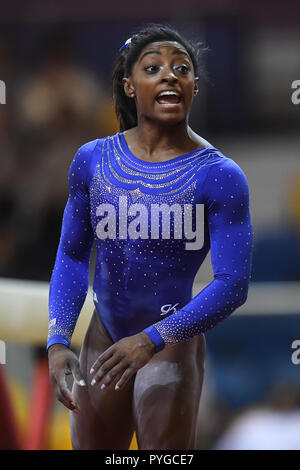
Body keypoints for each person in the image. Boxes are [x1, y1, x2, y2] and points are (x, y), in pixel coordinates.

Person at [47, 23, 253, 450]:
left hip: (171, 340)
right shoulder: (93, 160)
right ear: (129, 85)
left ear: (194, 86)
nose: (169, 75)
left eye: (182, 68)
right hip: (104, 335)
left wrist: (151, 339)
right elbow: (71, 256)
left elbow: (233, 284)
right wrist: (57, 340)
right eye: (153, 67)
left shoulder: (218, 175)